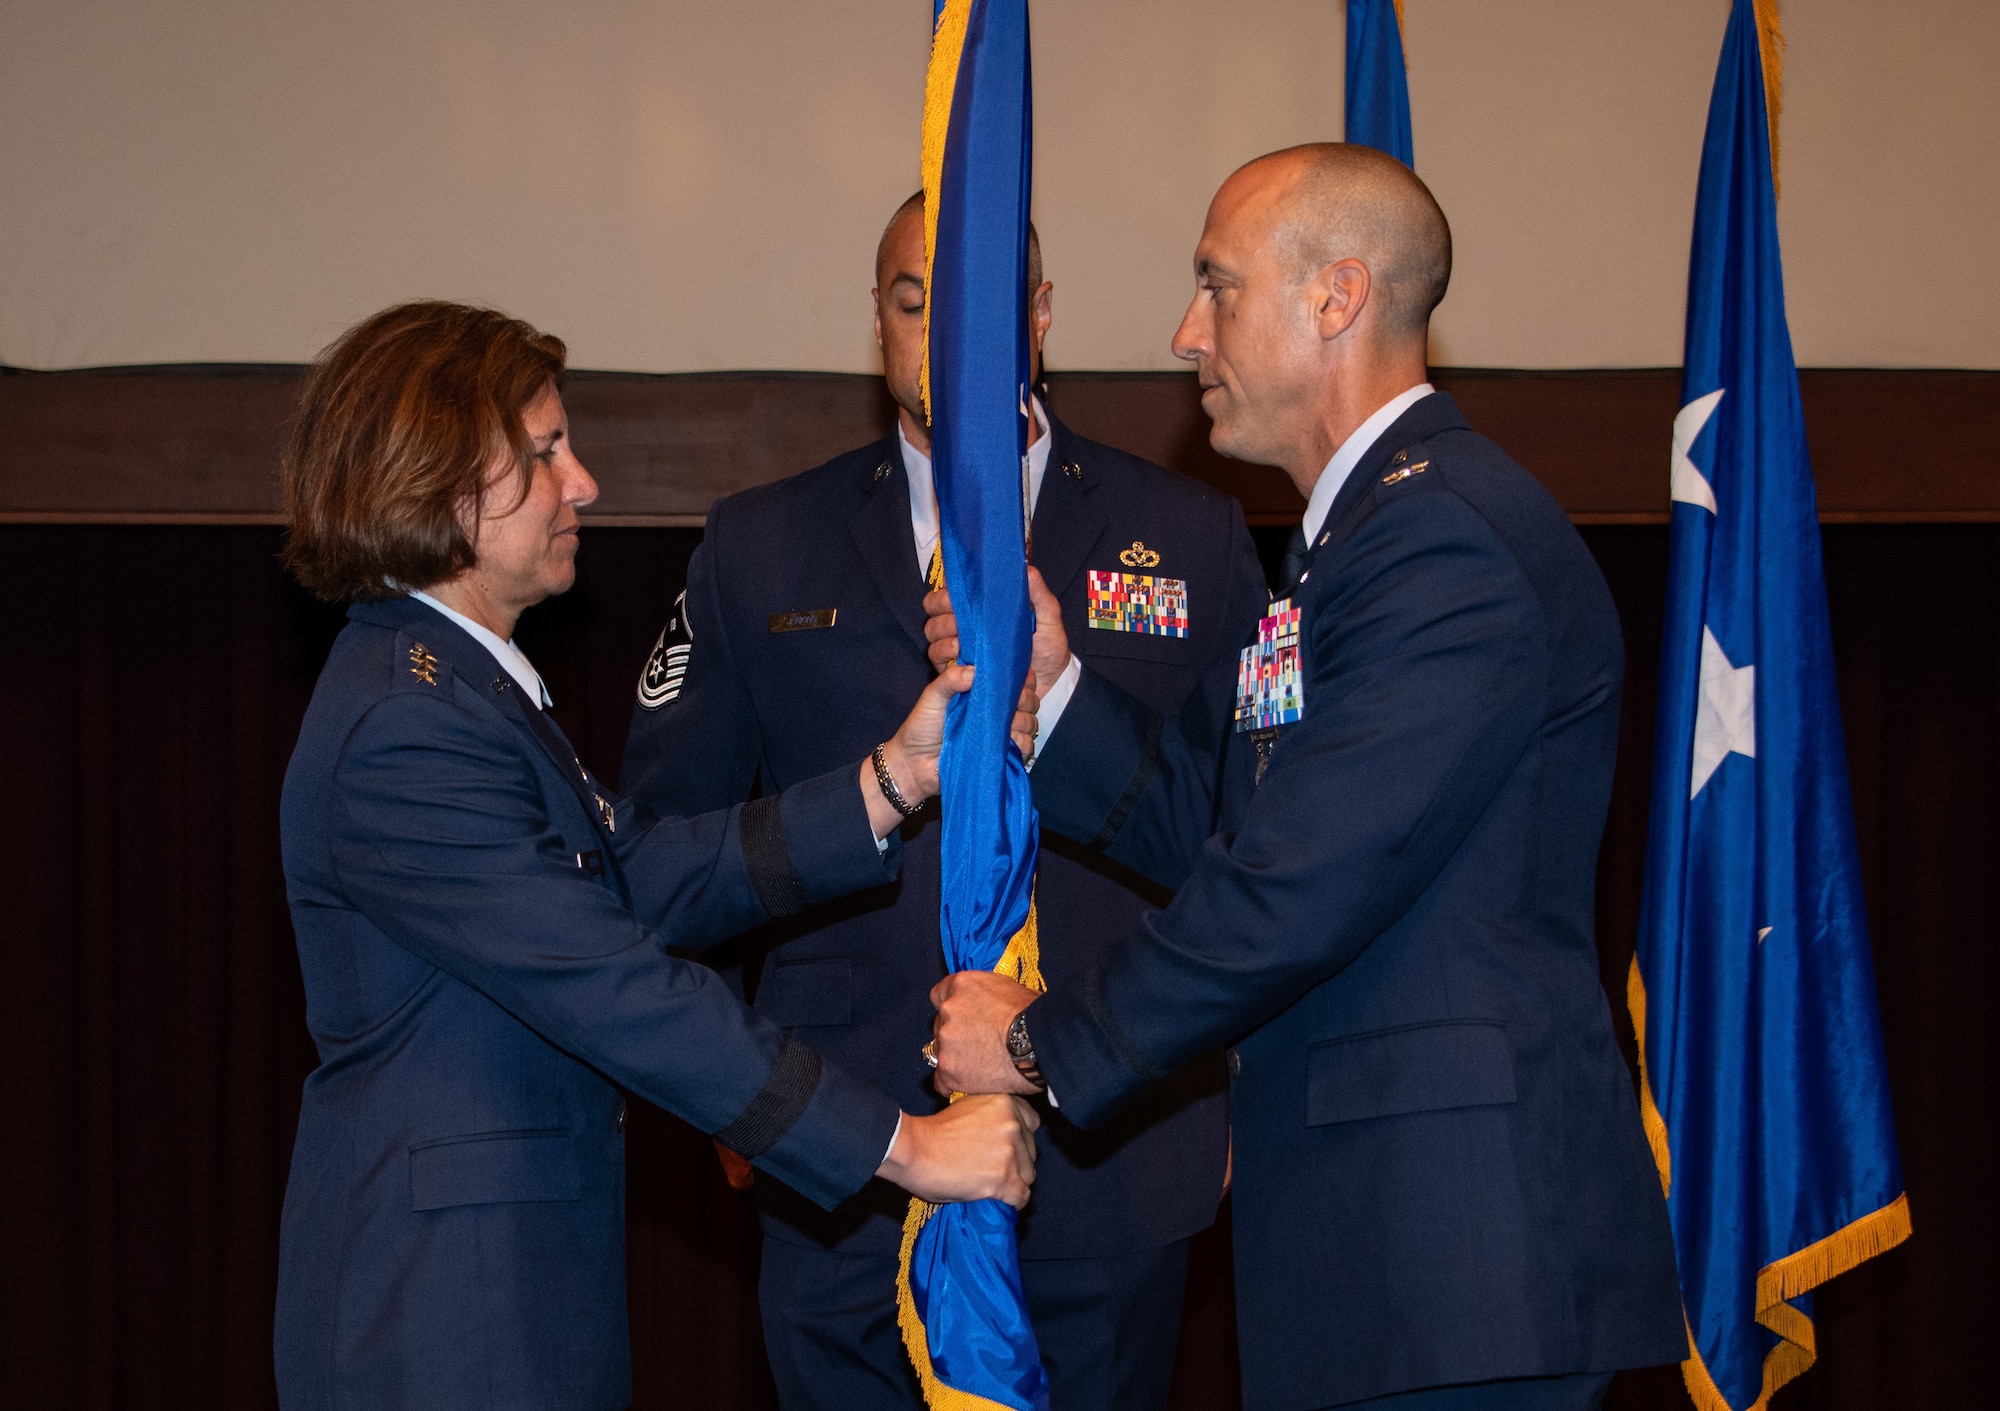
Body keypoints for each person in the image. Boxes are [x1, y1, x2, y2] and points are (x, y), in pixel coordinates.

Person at [927, 145, 1686, 1411]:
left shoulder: (1441, 539)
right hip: (1383, 1256)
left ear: (1334, 297)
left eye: (1215, 287)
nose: (1183, 333)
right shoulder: (1356, 539)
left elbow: (1299, 879)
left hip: (1456, 1264)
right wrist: (1049, 695)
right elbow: (1229, 826)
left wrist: (1038, 1039)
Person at [273, 301, 1042, 1411]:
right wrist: (907, 1146)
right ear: (439, 489)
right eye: (542, 455)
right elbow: (616, 985)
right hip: (449, 1313)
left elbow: (632, 874)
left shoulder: (461, 689)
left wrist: (892, 781)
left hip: (501, 1283)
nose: (581, 482)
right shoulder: (410, 726)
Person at [620, 194, 1269, 1411]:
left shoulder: (1186, 532)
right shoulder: (760, 546)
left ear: (1037, 320)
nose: (942, 337)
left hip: (1115, 1144)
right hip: (845, 1147)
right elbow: (661, 856)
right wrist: (726, 1084)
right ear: (877, 324)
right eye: (912, 303)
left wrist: (1238, 1084)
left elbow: (1259, 847)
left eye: (976, 307)